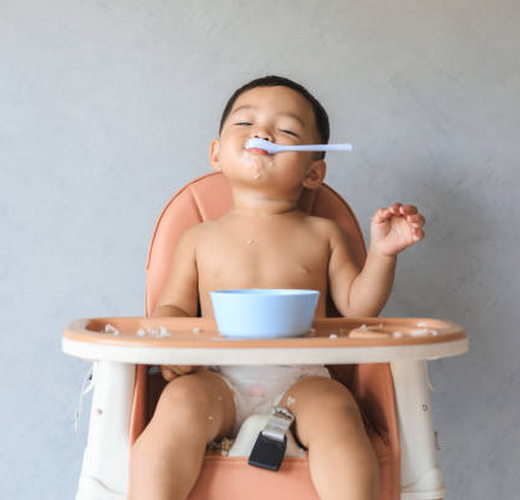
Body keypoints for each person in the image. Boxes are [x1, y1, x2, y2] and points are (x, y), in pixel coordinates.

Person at [129, 75, 426, 500]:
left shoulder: (324, 234)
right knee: (178, 404)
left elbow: (359, 306)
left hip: (303, 379)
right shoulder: (198, 237)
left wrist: (383, 253)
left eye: (286, 130)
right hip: (217, 378)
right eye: (244, 123)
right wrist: (174, 351)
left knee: (339, 412)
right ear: (216, 154)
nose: (262, 133)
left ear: (313, 172)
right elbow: (172, 308)